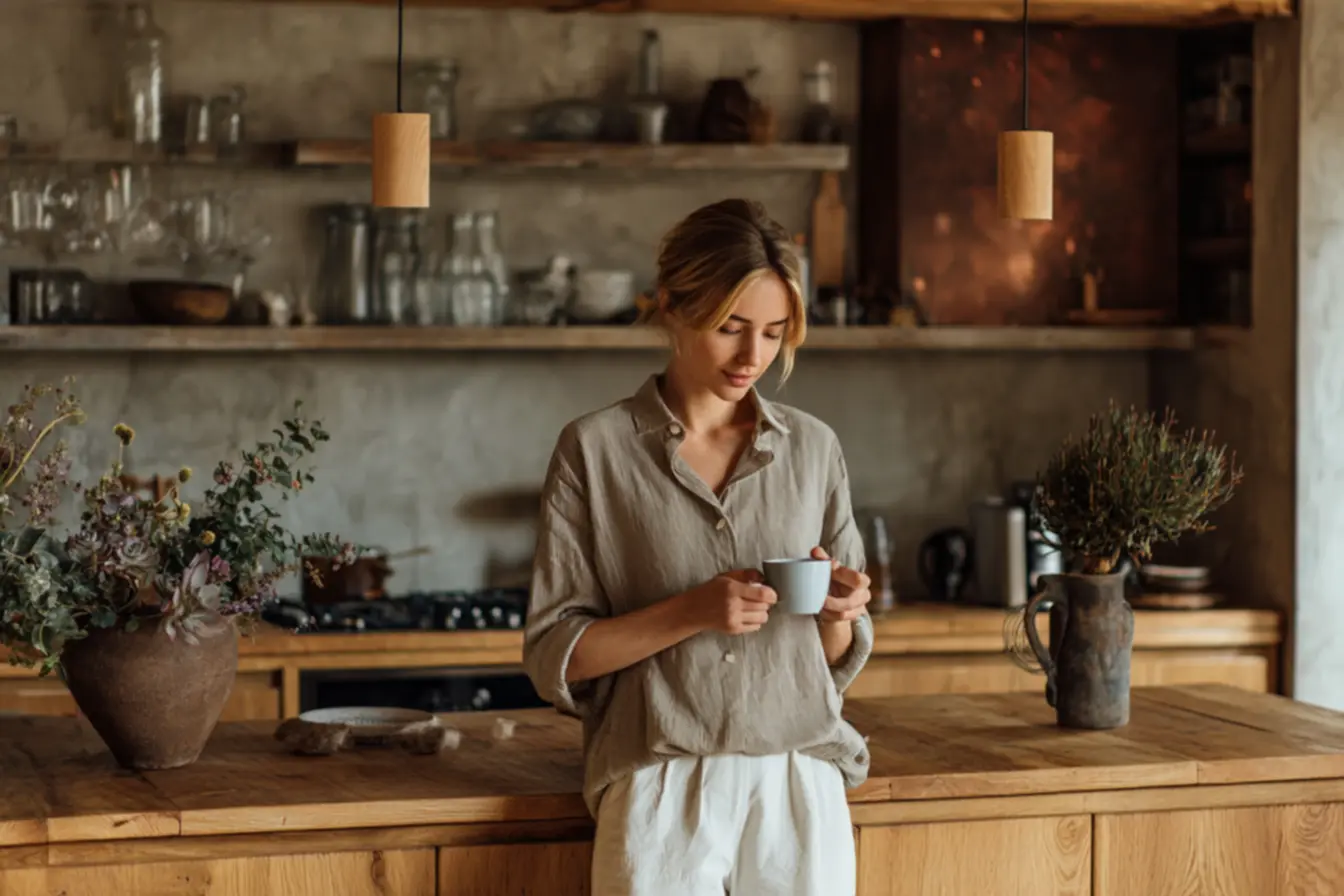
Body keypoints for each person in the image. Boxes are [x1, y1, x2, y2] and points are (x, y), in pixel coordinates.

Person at [523, 198, 873, 896]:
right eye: (731, 327)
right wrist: (691, 612)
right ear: (673, 309)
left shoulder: (814, 449)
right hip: (661, 783)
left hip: (799, 777)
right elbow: (553, 655)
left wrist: (838, 614)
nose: (754, 356)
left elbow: (833, 661)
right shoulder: (593, 450)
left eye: (775, 334)